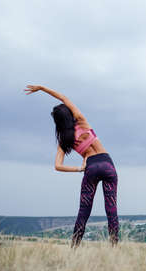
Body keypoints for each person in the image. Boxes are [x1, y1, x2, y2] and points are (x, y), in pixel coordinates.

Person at [25, 85, 119, 247]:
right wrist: (41, 88)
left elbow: (57, 166)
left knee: (84, 212)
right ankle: (114, 247)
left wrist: (78, 168)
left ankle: (74, 248)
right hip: (107, 164)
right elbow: (63, 97)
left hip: (90, 167)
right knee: (111, 209)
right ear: (69, 114)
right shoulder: (81, 121)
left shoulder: (64, 140)